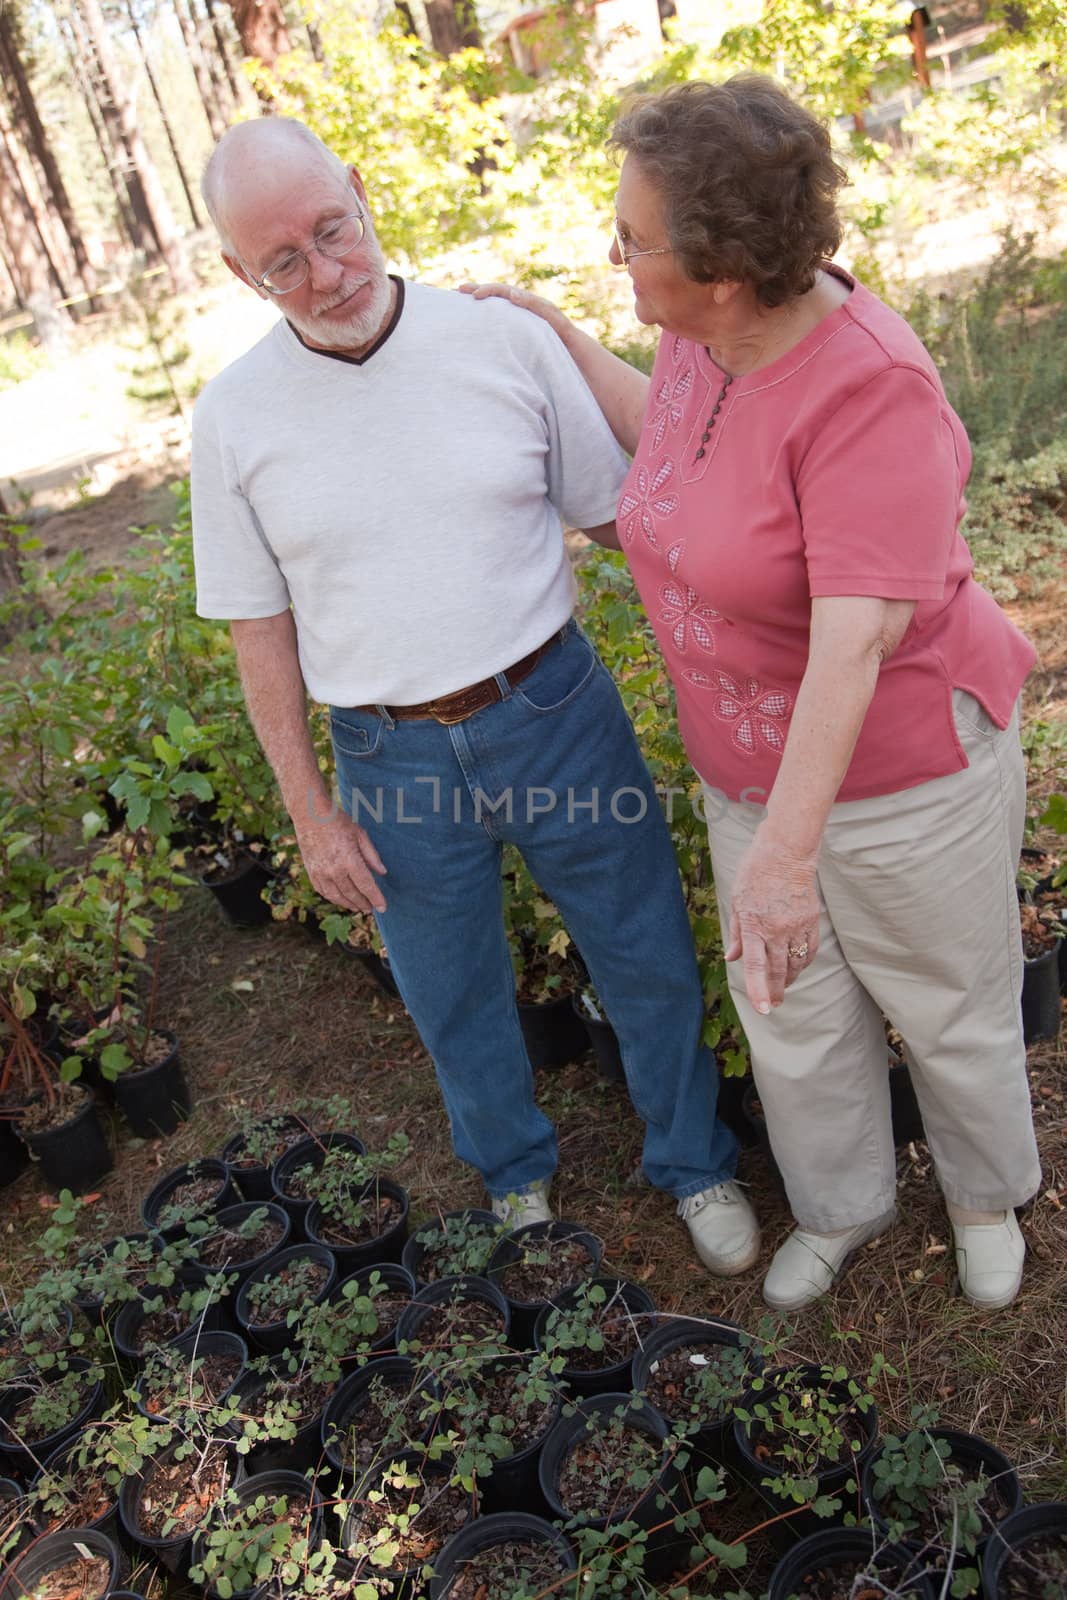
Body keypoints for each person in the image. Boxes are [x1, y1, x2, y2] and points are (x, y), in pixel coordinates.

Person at [465, 73, 1042, 1311]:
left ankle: (983, 1191)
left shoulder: (864, 388)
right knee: (786, 1005)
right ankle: (842, 1204)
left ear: (721, 265)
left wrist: (784, 859)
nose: (614, 255)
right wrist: (561, 337)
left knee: (942, 1001)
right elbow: (670, 453)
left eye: (630, 239)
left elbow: (853, 640)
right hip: (748, 769)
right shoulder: (699, 340)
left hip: (898, 771)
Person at [189, 116, 761, 1274]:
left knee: (641, 950)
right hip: (391, 761)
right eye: (282, 262)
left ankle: (693, 1161)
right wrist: (309, 812)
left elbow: (622, 523)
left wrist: (737, 663)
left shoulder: (496, 340)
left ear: (359, 185)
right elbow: (261, 629)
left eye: (331, 231)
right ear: (238, 274)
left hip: (552, 713)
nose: (324, 272)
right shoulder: (234, 418)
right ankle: (516, 1183)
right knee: (449, 992)